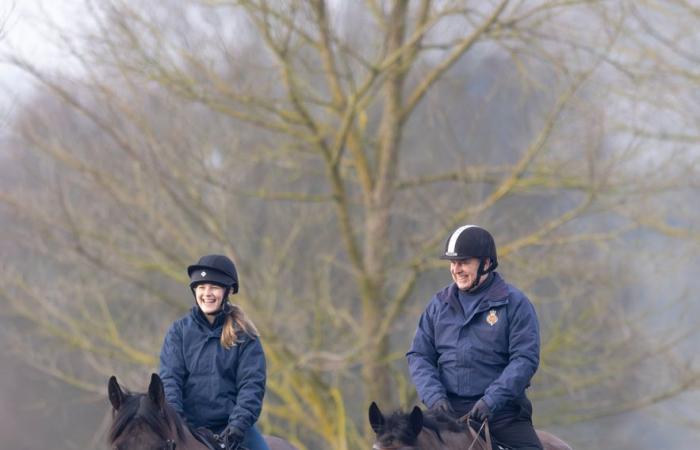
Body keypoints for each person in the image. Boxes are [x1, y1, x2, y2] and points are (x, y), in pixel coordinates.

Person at [406, 225, 543, 450]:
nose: (456, 269)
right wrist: (435, 398)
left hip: (502, 415)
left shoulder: (515, 304)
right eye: (453, 263)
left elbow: (525, 359)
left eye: (464, 262)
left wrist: (491, 401)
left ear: (486, 263)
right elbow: (419, 355)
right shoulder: (438, 305)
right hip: (446, 414)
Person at [159, 254, 270, 450]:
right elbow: (170, 379)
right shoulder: (178, 333)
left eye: (214, 287)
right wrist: (176, 421)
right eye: (201, 287)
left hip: (234, 429)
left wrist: (237, 425)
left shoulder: (245, 336)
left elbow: (251, 385)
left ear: (227, 292)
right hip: (188, 427)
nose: (207, 293)